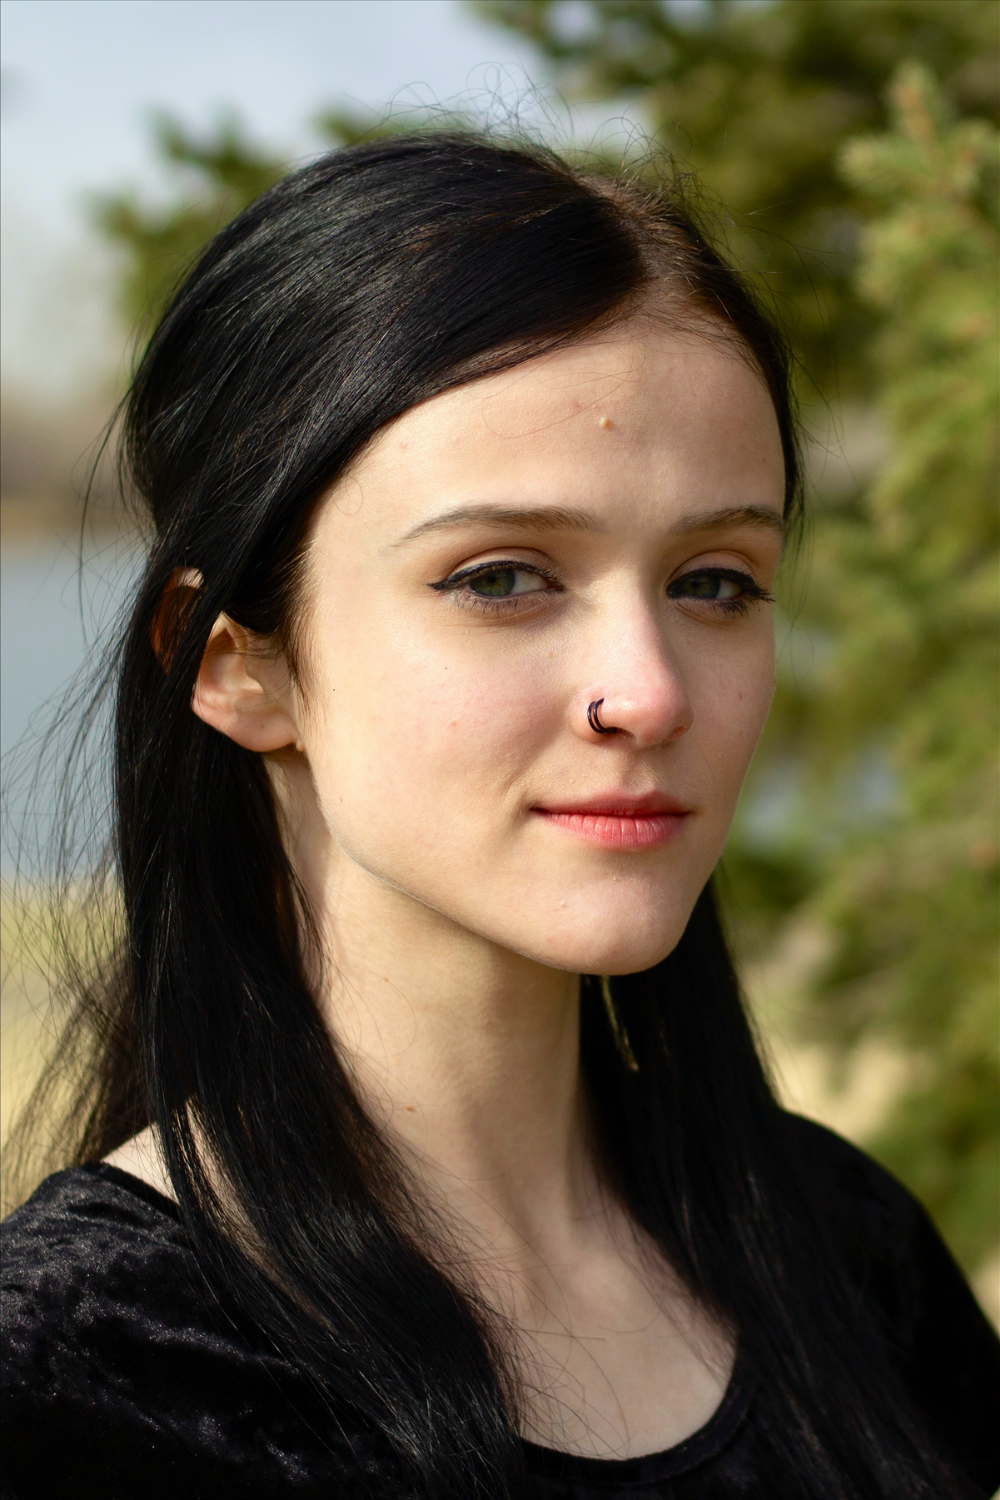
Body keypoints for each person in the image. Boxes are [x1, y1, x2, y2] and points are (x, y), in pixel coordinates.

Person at [1, 133, 997, 1500]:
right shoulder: (89, 1376)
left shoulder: (848, 1258)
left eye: (715, 581)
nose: (646, 694)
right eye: (503, 577)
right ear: (231, 660)